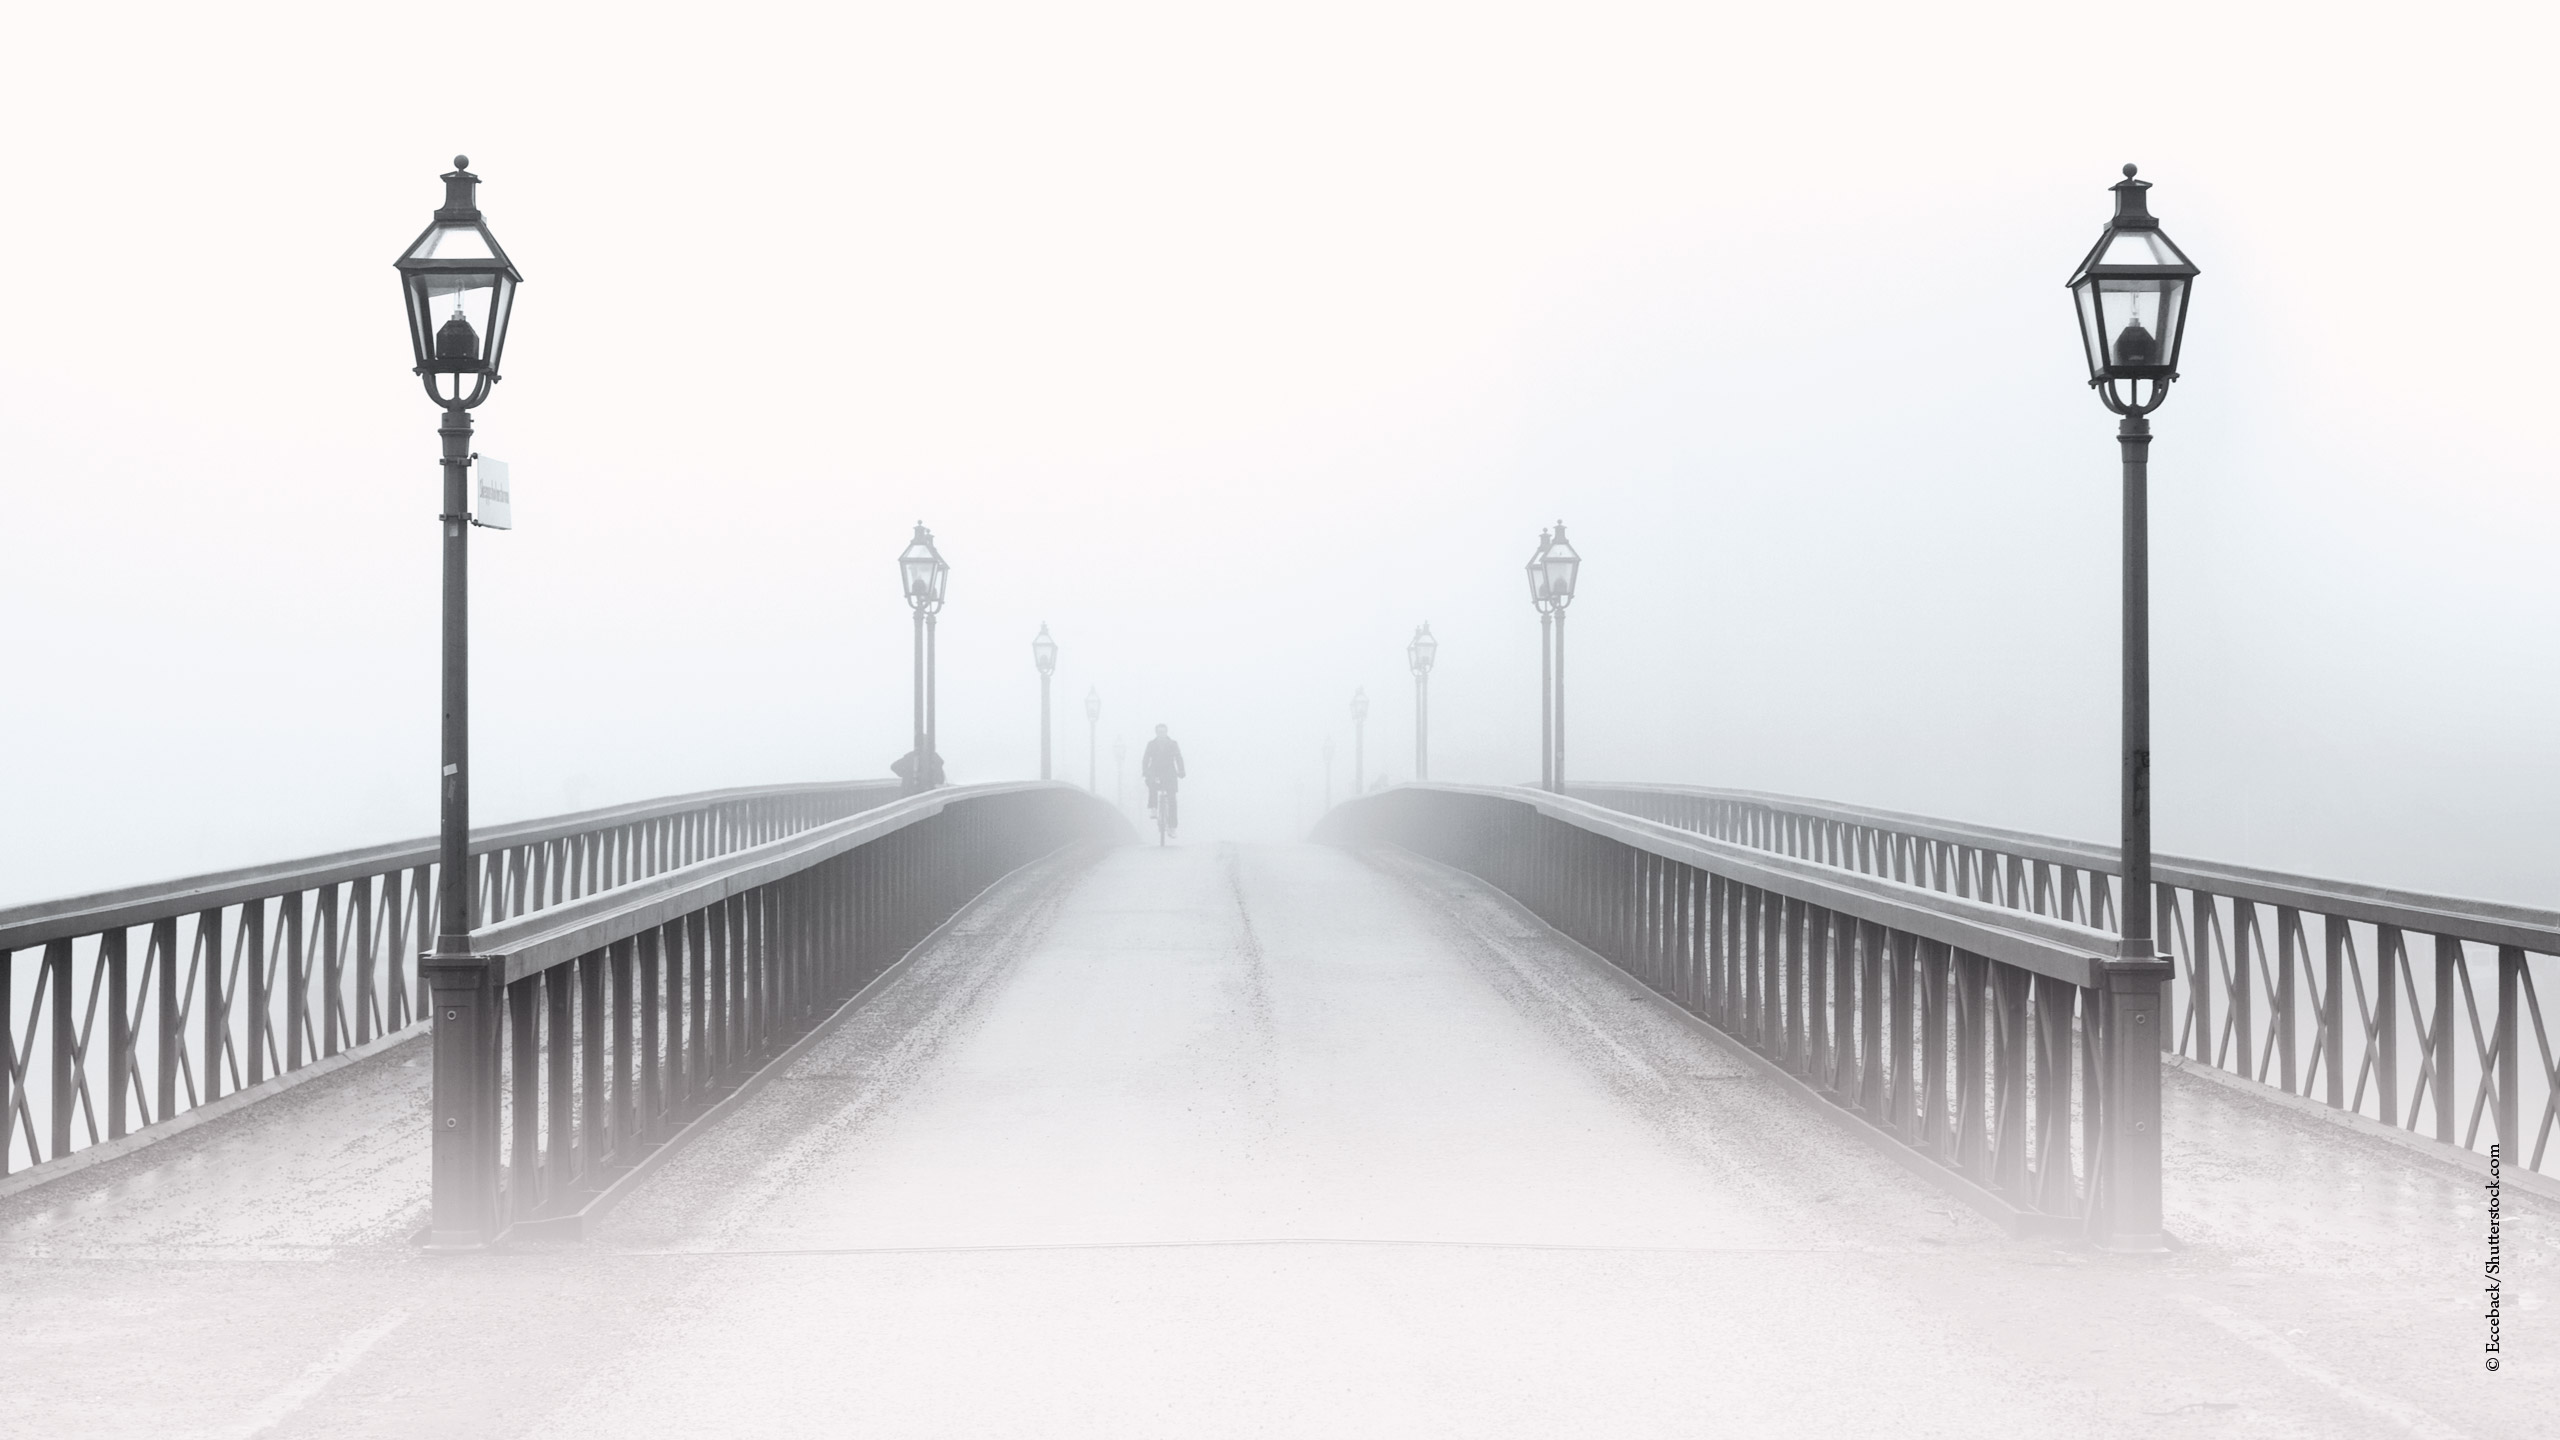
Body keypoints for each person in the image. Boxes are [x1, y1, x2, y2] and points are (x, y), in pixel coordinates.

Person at [1141, 724, 1186, 836]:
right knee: (1151, 782)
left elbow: (1178, 758)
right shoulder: (1151, 744)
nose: (1162, 734)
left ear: (1166, 732)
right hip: (1155, 771)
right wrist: (1145, 770)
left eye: (1163, 731)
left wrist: (1181, 770)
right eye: (1159, 732)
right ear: (1156, 733)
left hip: (1169, 773)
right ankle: (1153, 807)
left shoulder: (1173, 744)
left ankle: (1172, 826)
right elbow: (1146, 758)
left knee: (1172, 800)